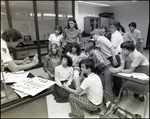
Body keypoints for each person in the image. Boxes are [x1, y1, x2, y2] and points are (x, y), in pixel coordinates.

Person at [84, 40, 115, 115]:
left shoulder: (95, 52)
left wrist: (93, 66)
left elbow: (101, 61)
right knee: (100, 86)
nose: (87, 53)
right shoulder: (91, 55)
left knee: (107, 87)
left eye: (88, 51)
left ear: (91, 49)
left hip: (107, 68)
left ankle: (111, 105)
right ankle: (108, 104)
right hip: (101, 70)